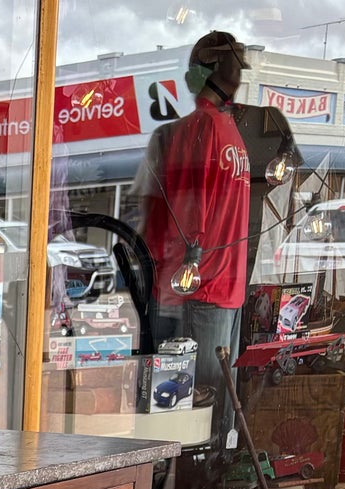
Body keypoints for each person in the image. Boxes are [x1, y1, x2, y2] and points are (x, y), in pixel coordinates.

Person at [141, 31, 252, 443]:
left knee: (214, 411)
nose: (239, 74)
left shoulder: (218, 127)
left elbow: (193, 211)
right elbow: (189, 211)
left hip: (217, 287)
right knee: (205, 413)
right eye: (234, 66)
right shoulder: (210, 129)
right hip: (210, 286)